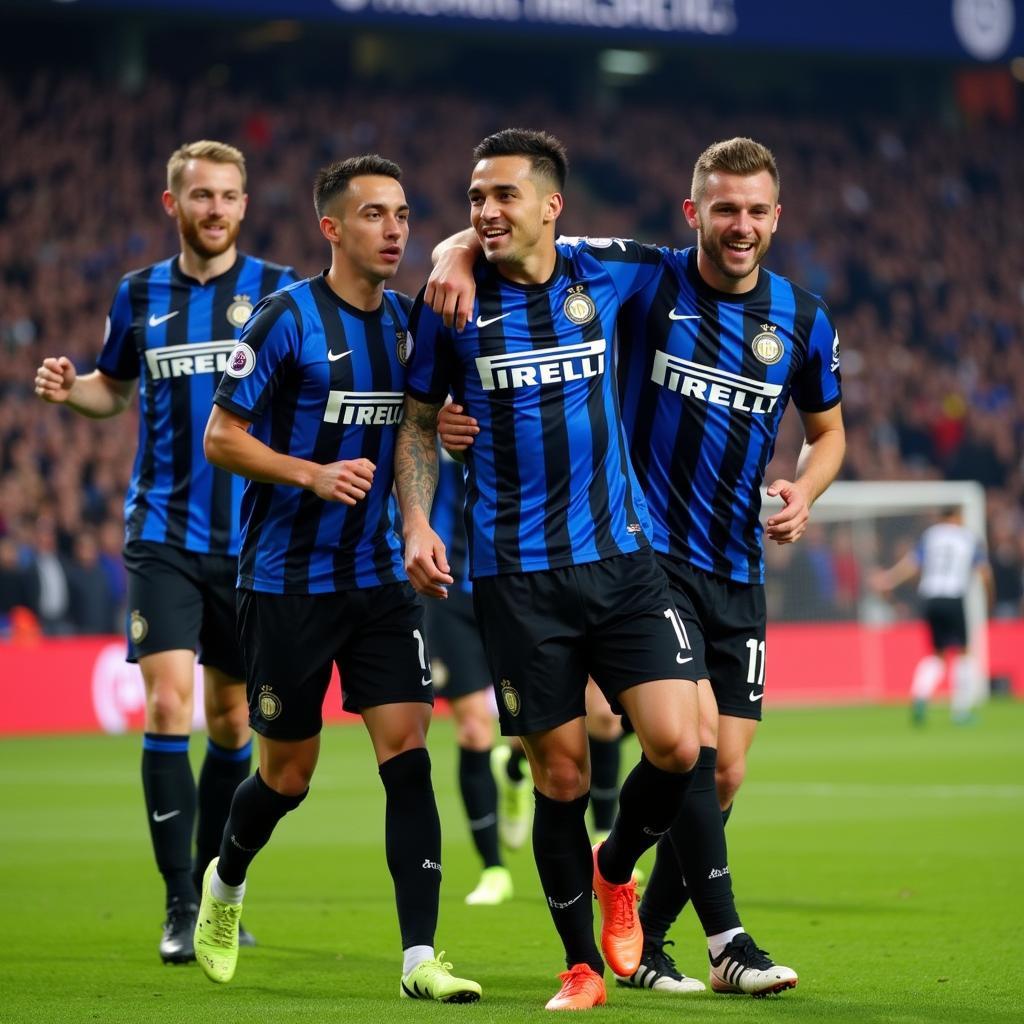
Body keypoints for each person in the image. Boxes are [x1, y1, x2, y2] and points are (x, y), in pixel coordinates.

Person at [435, 136, 846, 997]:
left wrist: (805, 489)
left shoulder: (802, 319)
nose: (740, 225)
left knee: (722, 768)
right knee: (680, 745)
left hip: (737, 561)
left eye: (756, 210)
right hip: (641, 550)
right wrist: (452, 248)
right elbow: (517, 236)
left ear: (778, 217)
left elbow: (829, 430)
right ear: (693, 213)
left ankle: (643, 916)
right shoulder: (648, 281)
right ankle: (726, 938)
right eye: (724, 209)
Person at [395, 128, 702, 1011]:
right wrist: (417, 520)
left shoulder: (610, 270)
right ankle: (580, 967)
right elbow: (418, 422)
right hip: (517, 580)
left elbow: (708, 259)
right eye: (474, 200)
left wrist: (452, 244)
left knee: (678, 745)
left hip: (621, 557)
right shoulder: (449, 304)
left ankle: (616, 870)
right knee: (561, 776)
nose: (486, 212)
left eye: (504, 196)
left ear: (552, 206)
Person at [196, 155, 480, 1003]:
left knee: (408, 751)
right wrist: (308, 473)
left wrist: (430, 481)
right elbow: (221, 437)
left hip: (375, 583)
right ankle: (225, 881)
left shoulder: (406, 325)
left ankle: (418, 958)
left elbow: (415, 432)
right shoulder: (284, 320)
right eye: (373, 215)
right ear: (332, 227)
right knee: (288, 775)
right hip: (285, 583)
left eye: (401, 213)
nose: (394, 229)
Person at [33, 140, 294, 963]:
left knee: (228, 721)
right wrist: (71, 389)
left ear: (244, 205)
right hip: (163, 537)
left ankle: (215, 886)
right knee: (171, 708)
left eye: (227, 196)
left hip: (249, 543)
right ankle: (179, 906)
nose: (214, 209)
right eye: (200, 196)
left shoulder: (280, 294)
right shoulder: (137, 294)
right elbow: (111, 389)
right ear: (170, 204)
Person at [427, 449, 514, 905]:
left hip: (511, 587)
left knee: (533, 732)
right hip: (448, 596)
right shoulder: (428, 408)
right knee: (474, 726)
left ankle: (516, 769)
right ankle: (493, 868)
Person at [873, 507, 993, 724]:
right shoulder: (968, 537)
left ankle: (920, 696)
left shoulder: (931, 535)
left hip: (930, 599)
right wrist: (990, 600)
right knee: (964, 653)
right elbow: (984, 573)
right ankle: (961, 712)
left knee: (937, 653)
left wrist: (889, 579)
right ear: (957, 517)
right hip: (954, 597)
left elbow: (912, 564)